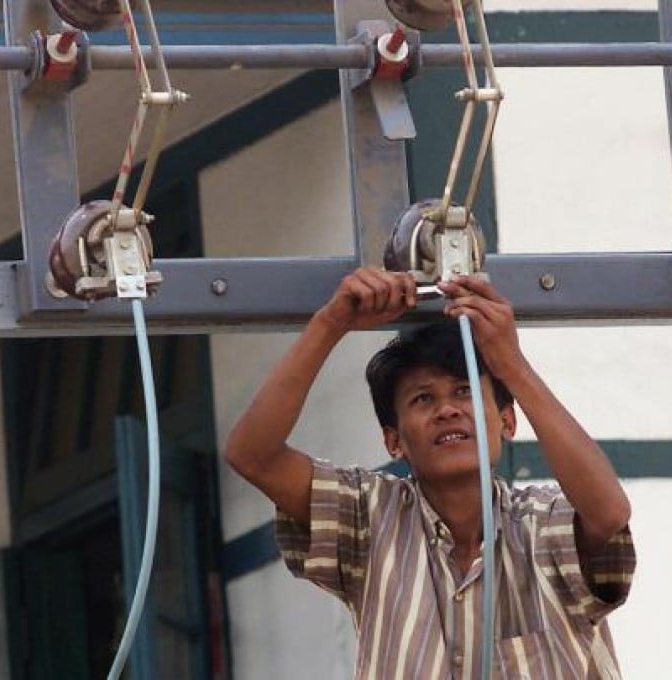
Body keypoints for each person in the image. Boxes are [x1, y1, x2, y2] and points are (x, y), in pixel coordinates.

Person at [225, 267, 635, 679]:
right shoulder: (368, 518)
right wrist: (331, 323)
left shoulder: (542, 524)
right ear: (393, 442)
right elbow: (252, 455)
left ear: (507, 422)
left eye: (464, 391)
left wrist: (511, 364)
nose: (447, 409)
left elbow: (609, 512)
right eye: (423, 399)